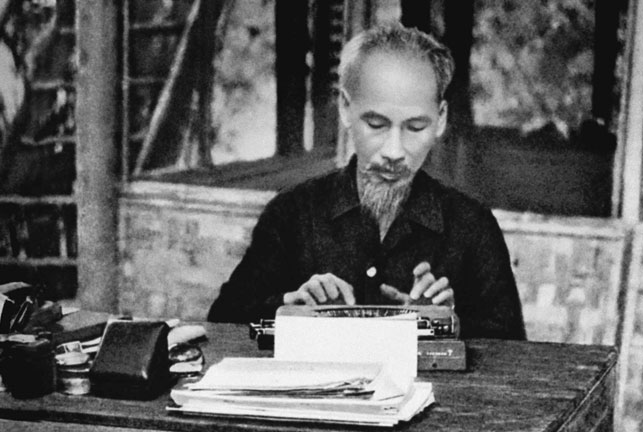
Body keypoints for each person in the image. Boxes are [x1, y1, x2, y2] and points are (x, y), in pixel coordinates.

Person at [208, 24, 526, 340]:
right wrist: (292, 310)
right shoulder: (291, 214)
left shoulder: (472, 226)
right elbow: (224, 324)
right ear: (346, 109)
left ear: (440, 119)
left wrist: (444, 325)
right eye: (376, 124)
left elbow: (514, 352)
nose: (394, 152)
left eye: (415, 128)